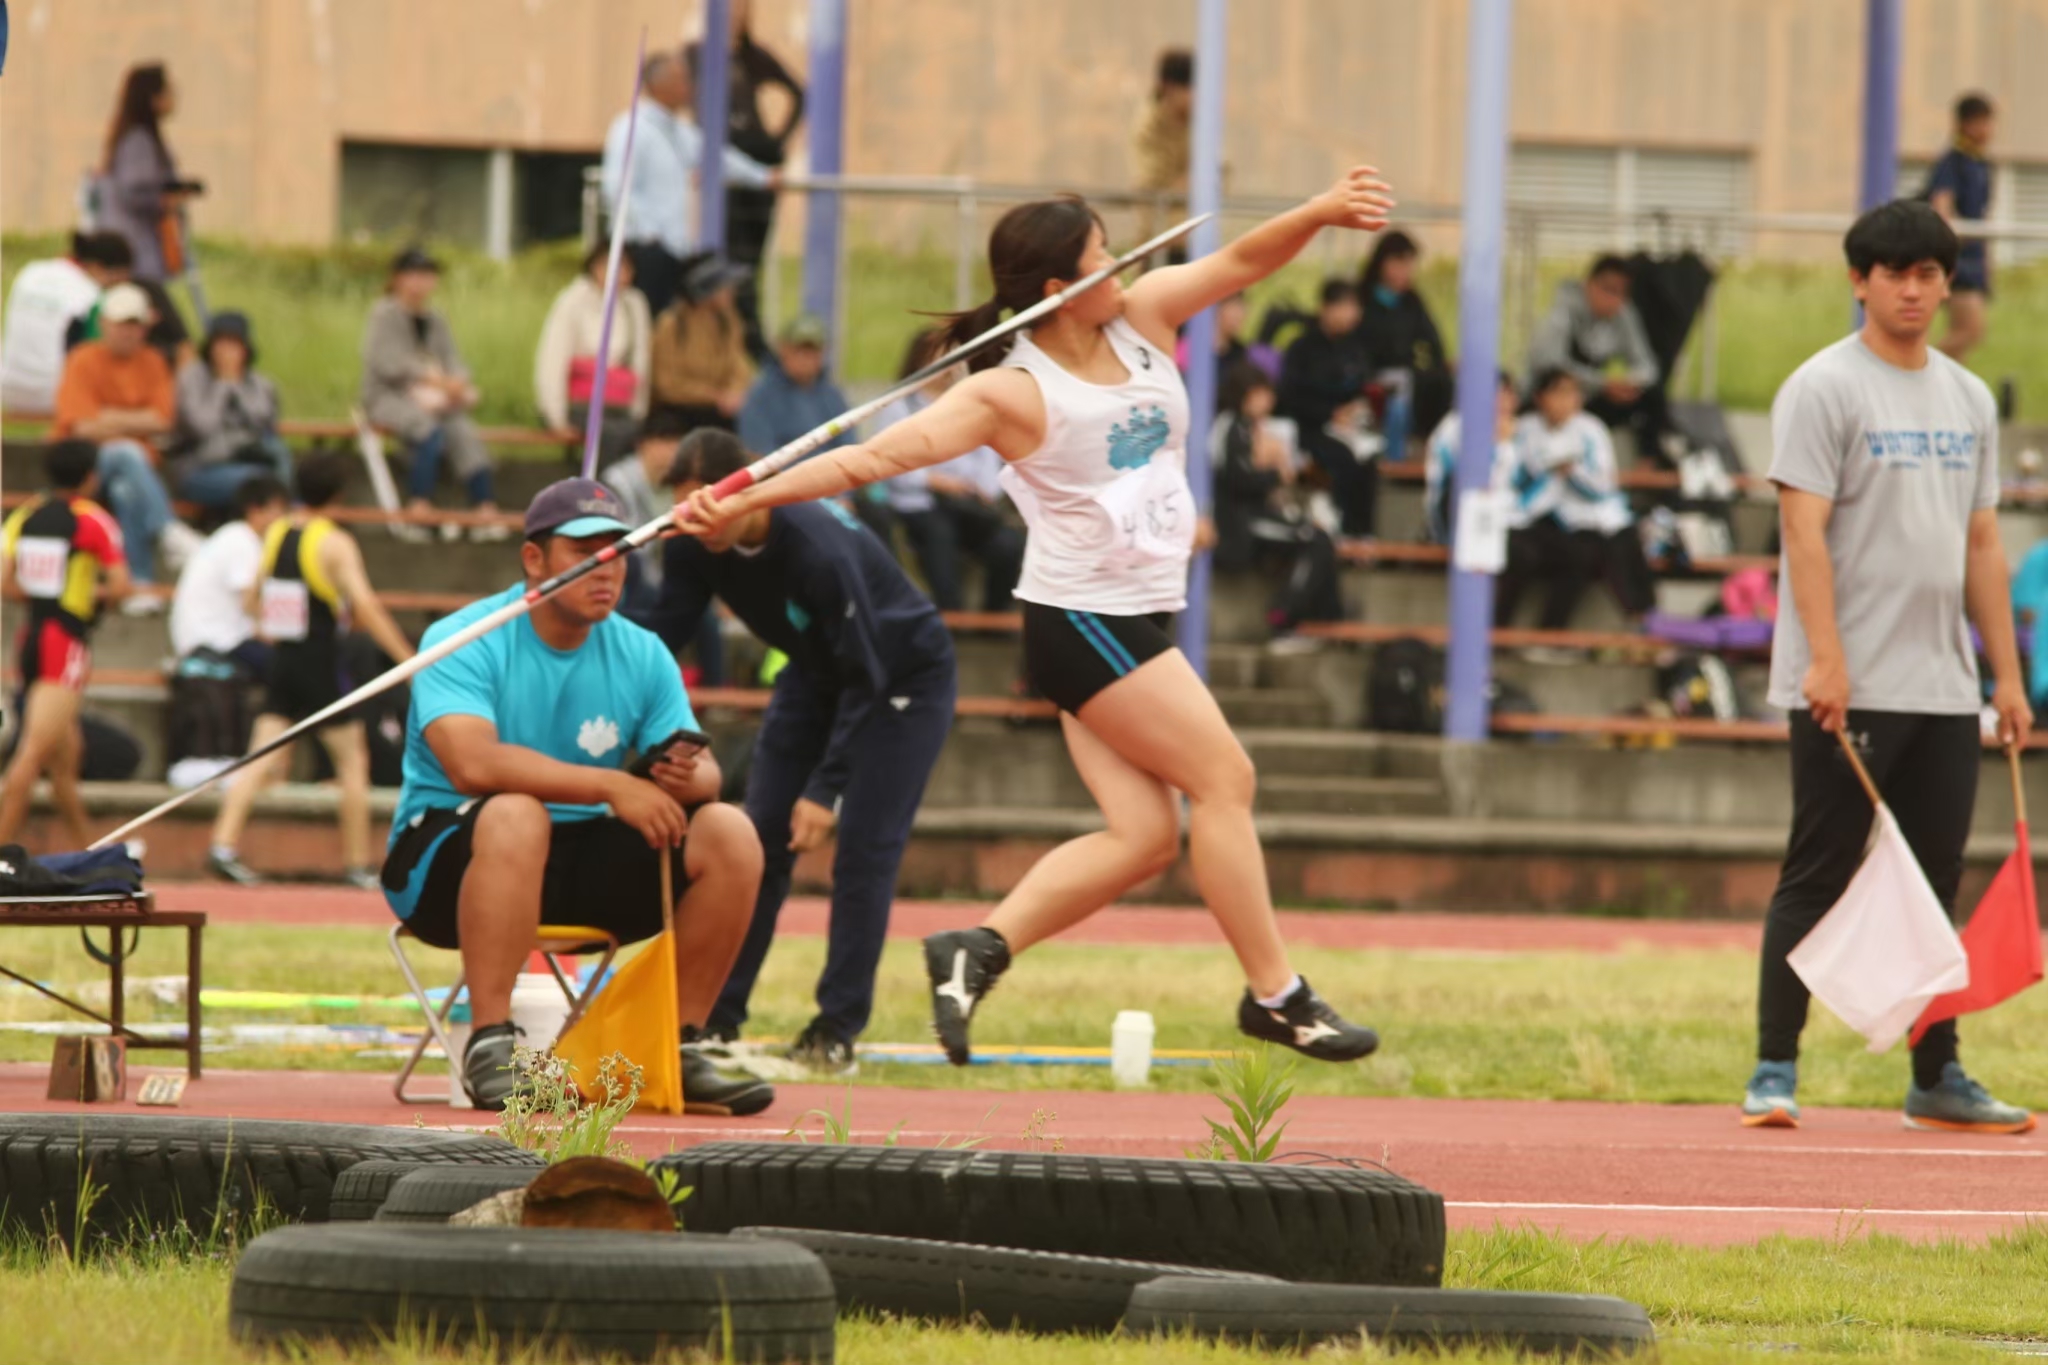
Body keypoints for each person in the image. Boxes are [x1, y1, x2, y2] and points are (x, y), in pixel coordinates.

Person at [678, 175, 1396, 1066]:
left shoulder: (1141, 317)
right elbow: (868, 458)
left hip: (1132, 616)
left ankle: (977, 949)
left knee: (1144, 838)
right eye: (1105, 257)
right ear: (1058, 288)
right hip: (1082, 617)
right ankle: (1278, 996)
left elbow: (1245, 258)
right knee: (1226, 778)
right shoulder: (1014, 392)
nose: (1125, 268)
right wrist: (742, 492)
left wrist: (1319, 211)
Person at [1743, 198, 2034, 1136]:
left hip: (1943, 685)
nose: (1913, 290)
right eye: (1895, 273)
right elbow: (1802, 530)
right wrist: (1826, 659)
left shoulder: (1967, 398)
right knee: (1819, 872)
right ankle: (1774, 1068)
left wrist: (2007, 677)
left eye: (1929, 274)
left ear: (1948, 285)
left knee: (1933, 885)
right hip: (1845, 687)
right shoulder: (1823, 387)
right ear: (1859, 281)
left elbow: (1982, 543)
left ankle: (1935, 1072)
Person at [379, 477, 771, 1115]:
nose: (607, 569)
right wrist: (614, 784)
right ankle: (491, 1043)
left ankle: (673, 1043)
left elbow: (705, 778)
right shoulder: (464, 637)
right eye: (585, 551)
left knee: (731, 832)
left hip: (584, 863)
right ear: (534, 560)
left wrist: (682, 779)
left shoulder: (642, 653)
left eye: (620, 551)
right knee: (514, 812)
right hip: (446, 865)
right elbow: (473, 764)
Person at [654, 429, 957, 1071]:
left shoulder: (817, 552)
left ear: (753, 487)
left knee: (862, 854)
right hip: (814, 673)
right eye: (686, 510)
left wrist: (826, 789)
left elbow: (866, 676)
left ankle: (837, 1027)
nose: (700, 524)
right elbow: (659, 637)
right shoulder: (694, 543)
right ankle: (713, 1017)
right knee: (755, 845)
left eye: (710, 506)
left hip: (898, 679)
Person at [207, 454, 418, 891]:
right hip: (321, 661)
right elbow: (365, 606)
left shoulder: (277, 531)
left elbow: (252, 599)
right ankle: (357, 862)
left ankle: (223, 844)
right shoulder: (335, 542)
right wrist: (407, 659)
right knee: (351, 761)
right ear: (338, 496)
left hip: (284, 659)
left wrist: (275, 624)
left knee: (260, 753)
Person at [0, 441, 132, 847]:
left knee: (63, 765)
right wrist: (86, 598)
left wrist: (42, 599)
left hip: (32, 638)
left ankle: (87, 850)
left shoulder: (25, 516)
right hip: (66, 643)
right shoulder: (94, 521)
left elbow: (5, 582)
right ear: (91, 477)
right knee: (30, 758)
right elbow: (121, 587)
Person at [51, 281, 200, 598]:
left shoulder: (154, 362)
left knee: (126, 490)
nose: (128, 332)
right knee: (125, 451)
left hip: (135, 471)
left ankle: (141, 584)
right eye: (121, 324)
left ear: (146, 327)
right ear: (104, 324)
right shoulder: (83, 359)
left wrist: (106, 416)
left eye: (135, 324)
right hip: (86, 468)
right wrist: (136, 422)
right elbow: (80, 427)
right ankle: (167, 529)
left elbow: (162, 420)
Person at [601, 49, 775, 320]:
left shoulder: (677, 130)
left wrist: (762, 177)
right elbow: (617, 189)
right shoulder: (632, 128)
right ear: (660, 85)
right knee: (645, 322)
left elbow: (715, 157)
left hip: (674, 251)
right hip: (646, 250)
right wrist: (651, 236)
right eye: (682, 79)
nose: (690, 87)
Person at [875, 329, 1025, 613]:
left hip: (968, 505)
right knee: (939, 536)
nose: (949, 364)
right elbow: (888, 463)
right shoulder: (898, 407)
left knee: (1008, 544)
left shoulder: (970, 404)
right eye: (941, 355)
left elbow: (988, 457)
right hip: (921, 505)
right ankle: (951, 616)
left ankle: (993, 618)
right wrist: (937, 482)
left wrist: (982, 489)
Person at [359, 248, 504, 537]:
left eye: (425, 276)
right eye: (412, 275)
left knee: (463, 430)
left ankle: (484, 505)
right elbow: (386, 362)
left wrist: (457, 383)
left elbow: (453, 359)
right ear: (397, 278)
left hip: (434, 398)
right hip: (388, 397)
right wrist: (432, 380)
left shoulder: (435, 318)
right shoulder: (384, 313)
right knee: (427, 429)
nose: (419, 283)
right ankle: (419, 503)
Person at [688, 0, 803, 351]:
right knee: (727, 254)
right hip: (728, 166)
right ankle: (736, 328)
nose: (736, 14)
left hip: (755, 159)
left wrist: (777, 141)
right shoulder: (698, 55)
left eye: (742, 8)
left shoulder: (754, 57)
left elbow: (798, 94)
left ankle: (749, 330)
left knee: (749, 259)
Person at [1507, 367, 1656, 628]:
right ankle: (1542, 633)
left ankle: (1645, 619)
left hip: (1593, 516)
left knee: (1623, 542)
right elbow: (1516, 480)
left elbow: (1603, 485)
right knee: (1581, 554)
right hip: (1542, 519)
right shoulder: (1523, 430)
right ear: (1540, 397)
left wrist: (1572, 471)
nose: (1566, 401)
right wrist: (1552, 476)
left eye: (1572, 393)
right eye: (1559, 393)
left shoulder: (1591, 429)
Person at [1210, 364, 1341, 637]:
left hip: (1255, 513)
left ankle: (1329, 615)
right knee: (1314, 539)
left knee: (1319, 537)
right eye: (1262, 393)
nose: (1269, 400)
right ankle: (1282, 616)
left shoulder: (1249, 427)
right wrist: (1277, 473)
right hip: (1238, 522)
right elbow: (1237, 479)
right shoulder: (1230, 426)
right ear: (1246, 394)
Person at [94, 63, 193, 365]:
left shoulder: (134, 137)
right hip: (138, 261)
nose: (175, 98)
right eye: (169, 91)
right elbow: (134, 190)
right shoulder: (139, 141)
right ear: (153, 97)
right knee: (172, 338)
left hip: (141, 258)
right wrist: (165, 200)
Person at [1527, 255, 1663, 453]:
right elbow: (1546, 363)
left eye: (1621, 292)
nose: (1613, 299)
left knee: (1652, 397)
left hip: (1590, 401)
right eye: (1608, 289)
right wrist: (1601, 383)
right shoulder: (1561, 313)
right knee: (1559, 393)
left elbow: (1648, 366)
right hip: (1552, 402)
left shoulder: (1625, 316)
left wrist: (1629, 383)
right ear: (1589, 284)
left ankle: (1649, 463)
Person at [533, 243, 652, 464]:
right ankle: (603, 492)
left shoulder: (633, 304)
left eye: (625, 267)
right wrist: (556, 418)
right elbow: (553, 360)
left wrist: (638, 409)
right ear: (595, 267)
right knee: (612, 437)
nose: (620, 274)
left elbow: (640, 361)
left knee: (638, 436)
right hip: (580, 404)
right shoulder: (572, 301)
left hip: (619, 404)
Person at [1277, 279, 1377, 541]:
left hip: (1349, 428)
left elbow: (1363, 389)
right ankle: (1342, 529)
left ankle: (1362, 532)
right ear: (1326, 308)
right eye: (1343, 307)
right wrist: (1330, 413)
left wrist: (1353, 412)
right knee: (1341, 457)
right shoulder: (1301, 348)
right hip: (1309, 428)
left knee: (1370, 458)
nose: (1350, 315)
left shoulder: (1356, 349)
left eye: (1354, 308)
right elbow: (1289, 397)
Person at [172, 311, 295, 512]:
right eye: (221, 343)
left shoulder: (260, 384)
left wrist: (237, 388)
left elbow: (265, 425)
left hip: (251, 460)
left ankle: (286, 518)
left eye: (234, 344)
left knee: (277, 456)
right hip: (201, 468)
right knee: (260, 484)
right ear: (210, 346)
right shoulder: (191, 379)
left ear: (246, 349)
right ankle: (285, 519)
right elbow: (202, 426)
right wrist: (223, 385)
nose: (227, 351)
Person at [1, 231, 133, 414]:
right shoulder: (90, 294)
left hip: (8, 388)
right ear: (97, 267)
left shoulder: (30, 271)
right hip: (55, 394)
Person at [169, 474, 287, 677]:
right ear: (255, 510)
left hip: (210, 638)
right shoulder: (242, 541)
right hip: (214, 643)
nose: (284, 518)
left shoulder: (233, 537)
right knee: (287, 665)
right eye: (279, 510)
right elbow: (250, 603)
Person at [1355, 230, 1452, 458]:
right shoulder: (1362, 298)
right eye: (1400, 263)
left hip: (1406, 372)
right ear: (1382, 263)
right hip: (1369, 374)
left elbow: (1432, 339)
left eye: (1410, 265)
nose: (1405, 272)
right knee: (1400, 386)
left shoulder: (1411, 301)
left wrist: (1439, 366)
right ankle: (1394, 453)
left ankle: (1432, 447)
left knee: (1441, 382)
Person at [649, 253, 755, 433]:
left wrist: (735, 392)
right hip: (680, 412)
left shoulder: (729, 319)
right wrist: (714, 396)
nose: (731, 292)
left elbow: (739, 364)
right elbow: (666, 383)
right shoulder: (671, 324)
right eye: (723, 287)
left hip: (722, 410)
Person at [1924, 92, 1995, 362]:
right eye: (1983, 123)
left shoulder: (1981, 163)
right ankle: (1920, 373)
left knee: (1965, 336)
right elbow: (1942, 204)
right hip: (1960, 259)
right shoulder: (1952, 161)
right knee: (1969, 330)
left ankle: (1948, 389)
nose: (1988, 130)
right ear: (1966, 124)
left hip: (1974, 259)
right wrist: (1950, 247)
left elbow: (1983, 215)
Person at [738, 314, 854, 461]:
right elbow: (760, 454)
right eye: (799, 350)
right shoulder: (761, 398)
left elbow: (849, 445)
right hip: (785, 480)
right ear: (782, 350)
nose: (806, 358)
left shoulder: (832, 396)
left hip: (833, 478)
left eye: (813, 351)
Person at [1423, 371, 1519, 546]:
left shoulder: (1520, 428)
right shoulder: (1454, 427)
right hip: (1460, 511)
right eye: (1498, 394)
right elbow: (1472, 485)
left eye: (1509, 394)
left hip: (1508, 514)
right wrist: (1501, 446)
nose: (1504, 402)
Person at [1132, 49, 1193, 246]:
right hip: (1159, 236)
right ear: (1169, 87)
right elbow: (1152, 183)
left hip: (1192, 233)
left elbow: (1220, 170)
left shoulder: (1197, 122)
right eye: (1191, 89)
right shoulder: (1150, 124)